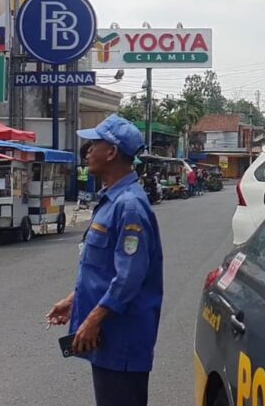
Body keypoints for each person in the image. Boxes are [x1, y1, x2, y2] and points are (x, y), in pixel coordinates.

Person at [47, 115, 163, 406]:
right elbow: (106, 269)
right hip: (108, 337)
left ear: (111, 152)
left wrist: (93, 319)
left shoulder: (129, 206)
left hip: (122, 340)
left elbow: (129, 277)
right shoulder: (112, 200)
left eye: (94, 144)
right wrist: (74, 299)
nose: (87, 151)